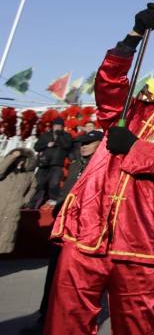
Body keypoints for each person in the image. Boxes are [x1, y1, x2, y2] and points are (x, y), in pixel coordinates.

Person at [44, 4, 154, 335]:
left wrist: (134, 147)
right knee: (68, 317)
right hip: (88, 227)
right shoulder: (128, 110)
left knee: (138, 323)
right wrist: (133, 37)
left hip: (139, 236)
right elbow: (109, 80)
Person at [30, 131, 102, 333]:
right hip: (64, 227)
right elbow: (64, 193)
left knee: (77, 280)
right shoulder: (75, 164)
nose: (84, 146)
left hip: (85, 230)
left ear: (100, 143)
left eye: (89, 142)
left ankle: (72, 319)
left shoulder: (102, 165)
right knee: (54, 273)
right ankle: (45, 315)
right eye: (82, 143)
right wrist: (58, 212)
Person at [29, 118, 73, 208]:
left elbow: (67, 146)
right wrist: (46, 145)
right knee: (38, 184)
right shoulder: (45, 135)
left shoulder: (66, 135)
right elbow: (36, 147)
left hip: (57, 164)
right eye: (55, 126)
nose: (57, 128)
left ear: (62, 127)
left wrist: (60, 136)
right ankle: (32, 203)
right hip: (44, 164)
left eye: (59, 126)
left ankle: (54, 201)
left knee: (54, 183)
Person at [0, 147, 37, 253]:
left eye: (23, 159)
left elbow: (33, 188)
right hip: (1, 204)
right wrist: (12, 157)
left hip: (12, 211)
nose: (20, 161)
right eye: (19, 158)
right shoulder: (6, 170)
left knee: (3, 238)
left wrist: (25, 200)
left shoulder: (29, 174)